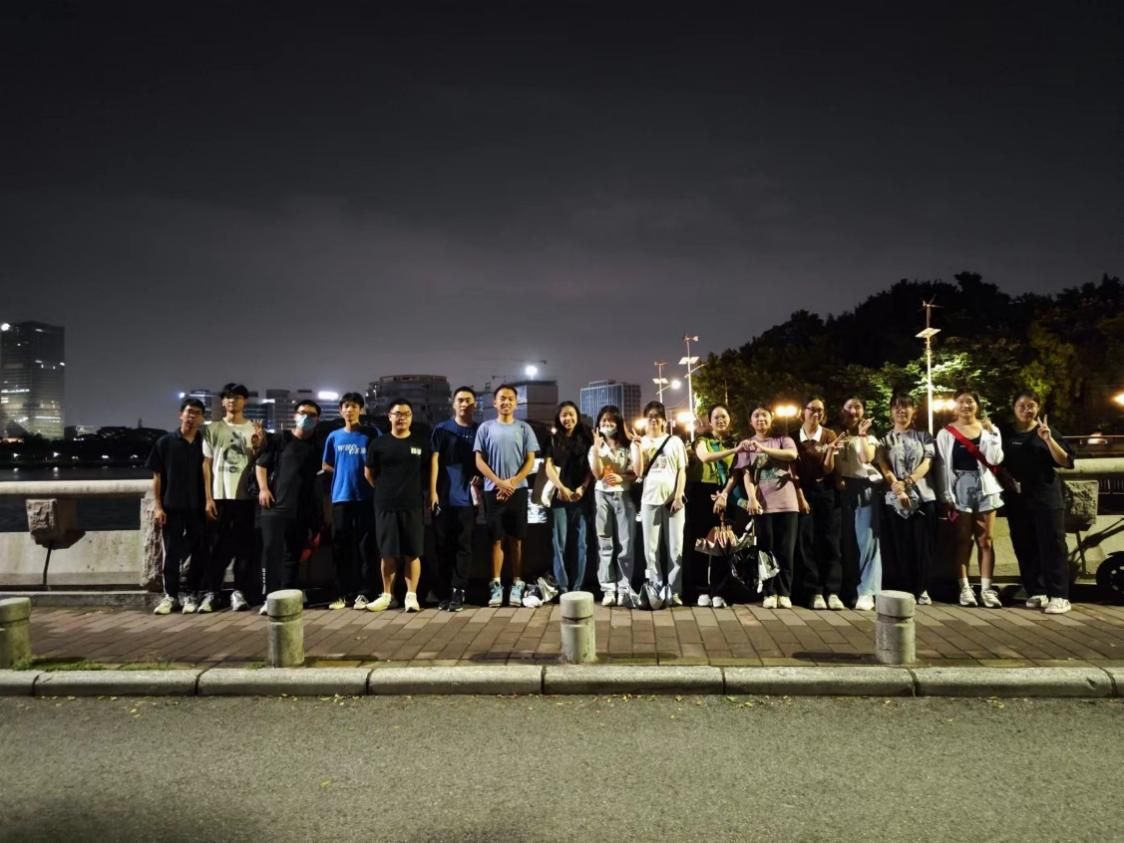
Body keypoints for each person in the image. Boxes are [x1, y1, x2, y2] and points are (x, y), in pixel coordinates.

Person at [1000, 390, 1076, 614]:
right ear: (1013, 408)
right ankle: (1036, 590)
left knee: (1053, 545)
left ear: (1038, 408)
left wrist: (1048, 439)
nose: (1027, 410)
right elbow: (994, 459)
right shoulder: (1004, 433)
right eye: (1022, 405)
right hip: (1017, 497)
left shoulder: (1046, 431)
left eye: (1031, 405)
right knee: (1024, 544)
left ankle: (1060, 595)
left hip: (1046, 496)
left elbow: (1066, 461)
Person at [935, 388, 1005, 608]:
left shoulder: (989, 430)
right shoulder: (946, 433)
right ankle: (964, 587)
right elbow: (943, 466)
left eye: (970, 401)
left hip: (986, 486)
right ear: (955, 406)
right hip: (960, 487)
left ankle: (987, 589)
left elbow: (995, 459)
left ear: (977, 405)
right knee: (962, 539)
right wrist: (946, 495)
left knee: (986, 540)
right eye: (961, 402)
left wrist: (992, 435)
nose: (966, 406)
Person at [254, 399, 324, 614]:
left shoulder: (318, 446)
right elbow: (261, 465)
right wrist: (263, 489)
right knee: (271, 554)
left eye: (312, 415)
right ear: (295, 415)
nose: (306, 417)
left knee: (292, 555)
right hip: (275, 507)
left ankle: (286, 595)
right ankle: (269, 597)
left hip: (301, 509)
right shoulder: (281, 439)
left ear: (318, 419)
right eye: (303, 413)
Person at [474, 384, 540, 607]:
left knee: (517, 539)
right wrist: (499, 482)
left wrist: (512, 482)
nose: (506, 402)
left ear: (516, 403)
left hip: (518, 490)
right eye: (502, 398)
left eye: (510, 398)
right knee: (496, 539)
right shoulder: (485, 428)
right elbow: (479, 460)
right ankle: (495, 585)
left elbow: (530, 460)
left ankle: (517, 583)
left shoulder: (524, 428)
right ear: (494, 402)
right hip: (493, 491)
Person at [726, 407, 799, 609]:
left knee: (786, 550)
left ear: (771, 418)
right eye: (756, 415)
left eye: (764, 415)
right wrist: (751, 498)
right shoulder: (747, 445)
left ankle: (784, 592)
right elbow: (746, 474)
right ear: (750, 421)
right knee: (766, 550)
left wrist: (763, 448)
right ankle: (769, 591)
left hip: (787, 503)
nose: (760, 419)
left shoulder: (783, 439)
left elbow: (792, 455)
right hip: (763, 505)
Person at [201, 383, 265, 612]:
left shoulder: (253, 427)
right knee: (217, 547)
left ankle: (239, 592)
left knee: (244, 548)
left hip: (245, 498)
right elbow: (206, 465)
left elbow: (260, 462)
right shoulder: (212, 429)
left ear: (244, 401)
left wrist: (258, 445)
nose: (232, 401)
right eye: (228, 397)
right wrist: (208, 498)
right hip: (220, 496)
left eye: (237, 397)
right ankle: (212, 592)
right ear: (222, 401)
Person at [365, 400, 431, 613]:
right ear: (389, 416)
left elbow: (428, 470)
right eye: (397, 413)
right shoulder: (379, 444)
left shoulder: (420, 443)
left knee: (413, 551)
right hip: (385, 505)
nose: (402, 417)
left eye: (406, 413)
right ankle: (388, 595)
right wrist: (384, 490)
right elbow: (369, 473)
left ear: (411, 417)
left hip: (412, 504)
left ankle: (411, 596)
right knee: (387, 552)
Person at [146, 397, 208, 615]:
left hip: (198, 507)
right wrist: (158, 506)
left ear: (202, 418)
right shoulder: (165, 442)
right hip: (171, 506)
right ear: (180, 414)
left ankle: (191, 594)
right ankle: (170, 596)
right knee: (171, 552)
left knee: (198, 551)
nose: (192, 416)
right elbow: (157, 477)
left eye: (197, 413)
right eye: (189, 411)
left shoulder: (205, 443)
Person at [876, 394, 936, 605]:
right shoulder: (885, 440)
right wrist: (896, 484)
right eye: (897, 407)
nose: (901, 411)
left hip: (922, 495)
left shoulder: (924, 436)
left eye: (906, 407)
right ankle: (901, 588)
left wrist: (909, 481)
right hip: (894, 497)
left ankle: (922, 588)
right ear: (891, 412)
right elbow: (883, 464)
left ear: (914, 411)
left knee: (921, 543)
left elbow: (928, 462)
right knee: (898, 544)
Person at [322, 392, 378, 610]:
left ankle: (366, 592)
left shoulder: (371, 434)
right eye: (346, 406)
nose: (350, 410)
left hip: (366, 497)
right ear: (340, 410)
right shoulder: (334, 437)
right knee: (341, 547)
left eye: (354, 406)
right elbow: (326, 464)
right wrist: (343, 470)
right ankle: (343, 593)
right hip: (341, 497)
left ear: (361, 410)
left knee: (366, 547)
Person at [825, 397, 882, 611]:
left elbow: (866, 458)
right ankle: (851, 590)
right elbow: (833, 463)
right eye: (849, 406)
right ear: (842, 410)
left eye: (858, 407)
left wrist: (862, 434)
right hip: (842, 489)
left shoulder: (869, 436)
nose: (853, 411)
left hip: (863, 487)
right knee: (847, 543)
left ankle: (867, 592)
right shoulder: (836, 434)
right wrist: (838, 477)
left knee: (867, 541)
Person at [429, 386, 481, 613]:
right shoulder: (442, 429)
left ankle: (459, 590)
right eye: (460, 400)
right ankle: (443, 592)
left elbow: (484, 460)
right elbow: (434, 461)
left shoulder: (480, 430)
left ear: (475, 404)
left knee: (464, 546)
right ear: (453, 403)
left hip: (468, 499)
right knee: (442, 546)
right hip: (443, 497)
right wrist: (432, 492)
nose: (464, 404)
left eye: (468, 400)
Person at [632, 401, 688, 607]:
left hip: (673, 502)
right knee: (651, 549)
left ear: (664, 420)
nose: (653, 420)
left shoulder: (675, 441)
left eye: (657, 416)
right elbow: (638, 472)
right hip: (649, 500)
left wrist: (679, 495)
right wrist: (638, 448)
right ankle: (655, 588)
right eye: (650, 416)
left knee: (675, 548)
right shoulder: (640, 442)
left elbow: (682, 470)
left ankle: (674, 591)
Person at [790, 396, 844, 610]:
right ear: (802, 412)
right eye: (812, 409)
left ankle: (832, 590)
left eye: (820, 410)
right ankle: (814, 591)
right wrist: (800, 497)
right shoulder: (793, 437)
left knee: (830, 541)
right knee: (807, 541)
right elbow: (793, 471)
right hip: (803, 492)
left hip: (826, 492)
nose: (816, 413)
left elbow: (828, 469)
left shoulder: (829, 435)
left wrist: (830, 450)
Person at [691, 404, 743, 608]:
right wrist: (733, 450)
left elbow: (736, 472)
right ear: (710, 421)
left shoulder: (735, 442)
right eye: (716, 417)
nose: (721, 420)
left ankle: (719, 590)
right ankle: (701, 589)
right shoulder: (702, 441)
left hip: (726, 492)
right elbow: (705, 457)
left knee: (723, 542)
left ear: (730, 419)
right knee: (702, 542)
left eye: (724, 416)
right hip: (703, 490)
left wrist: (725, 494)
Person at [544, 401, 594, 595]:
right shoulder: (553, 439)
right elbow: (548, 466)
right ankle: (563, 585)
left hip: (581, 497)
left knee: (581, 543)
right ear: (558, 417)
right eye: (564, 415)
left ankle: (578, 586)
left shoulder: (586, 437)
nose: (568, 418)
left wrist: (583, 487)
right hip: (559, 497)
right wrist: (561, 487)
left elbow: (591, 467)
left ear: (577, 416)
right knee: (559, 543)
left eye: (571, 414)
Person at [588, 405, 636, 607]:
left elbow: (636, 472)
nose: (607, 424)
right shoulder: (595, 448)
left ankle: (624, 587)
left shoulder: (628, 446)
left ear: (618, 423)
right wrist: (597, 449)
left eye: (611, 420)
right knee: (605, 543)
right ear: (598, 424)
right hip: (602, 496)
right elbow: (598, 474)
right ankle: (608, 588)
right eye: (604, 421)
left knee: (626, 543)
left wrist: (621, 477)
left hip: (624, 495)